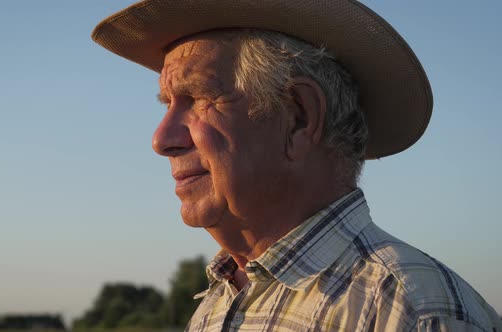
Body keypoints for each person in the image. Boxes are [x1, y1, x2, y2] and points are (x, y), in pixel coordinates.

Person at [91, 1, 501, 331]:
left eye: (199, 97)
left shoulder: (413, 313)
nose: (162, 140)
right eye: (168, 105)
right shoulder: (221, 301)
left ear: (300, 117)